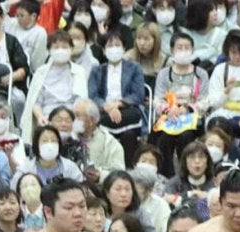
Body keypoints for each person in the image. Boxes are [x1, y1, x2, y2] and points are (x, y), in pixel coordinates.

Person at [150, 31, 210, 177]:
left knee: (185, 136)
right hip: (169, 118)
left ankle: (186, 174)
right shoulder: (164, 73)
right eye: (179, 47)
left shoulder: (201, 74)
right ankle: (166, 176)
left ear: (193, 50)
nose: (183, 51)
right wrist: (168, 110)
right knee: (164, 138)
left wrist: (186, 109)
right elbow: (157, 99)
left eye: (187, 47)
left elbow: (205, 100)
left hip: (192, 119)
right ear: (172, 50)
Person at [88, 29, 145, 167]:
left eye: (117, 45)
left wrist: (118, 105)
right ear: (103, 50)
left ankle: (128, 169)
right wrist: (107, 107)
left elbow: (138, 95)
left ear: (124, 48)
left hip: (127, 110)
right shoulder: (96, 70)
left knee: (129, 132)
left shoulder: (134, 68)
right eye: (110, 45)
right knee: (99, 121)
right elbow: (93, 96)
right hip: (104, 111)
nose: (114, 48)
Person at [21, 31, 88, 139]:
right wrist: (40, 117)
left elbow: (80, 102)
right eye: (56, 47)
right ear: (49, 50)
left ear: (71, 49)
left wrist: (66, 120)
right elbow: (35, 103)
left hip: (71, 118)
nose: (60, 50)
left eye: (64, 47)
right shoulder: (40, 72)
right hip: (48, 117)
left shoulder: (79, 71)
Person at [12, 125, 85, 185]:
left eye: (53, 140)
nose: (50, 145)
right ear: (36, 145)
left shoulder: (71, 167)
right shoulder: (24, 171)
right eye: (45, 141)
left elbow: (82, 190)